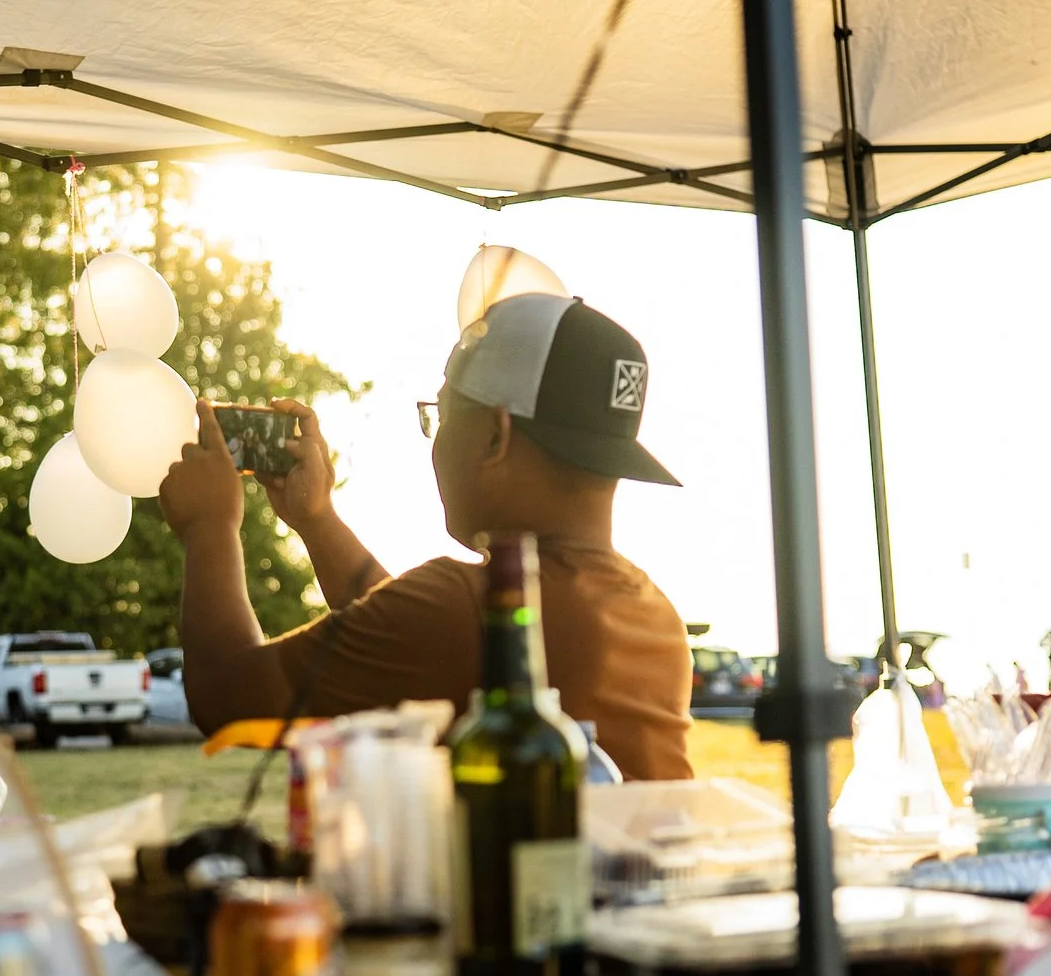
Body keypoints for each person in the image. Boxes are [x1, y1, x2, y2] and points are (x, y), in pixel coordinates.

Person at [159, 294, 695, 780]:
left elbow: (225, 694)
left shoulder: (458, 608)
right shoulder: (653, 615)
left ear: (494, 435)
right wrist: (317, 521)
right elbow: (419, 639)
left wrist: (210, 527)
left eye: (440, 415)